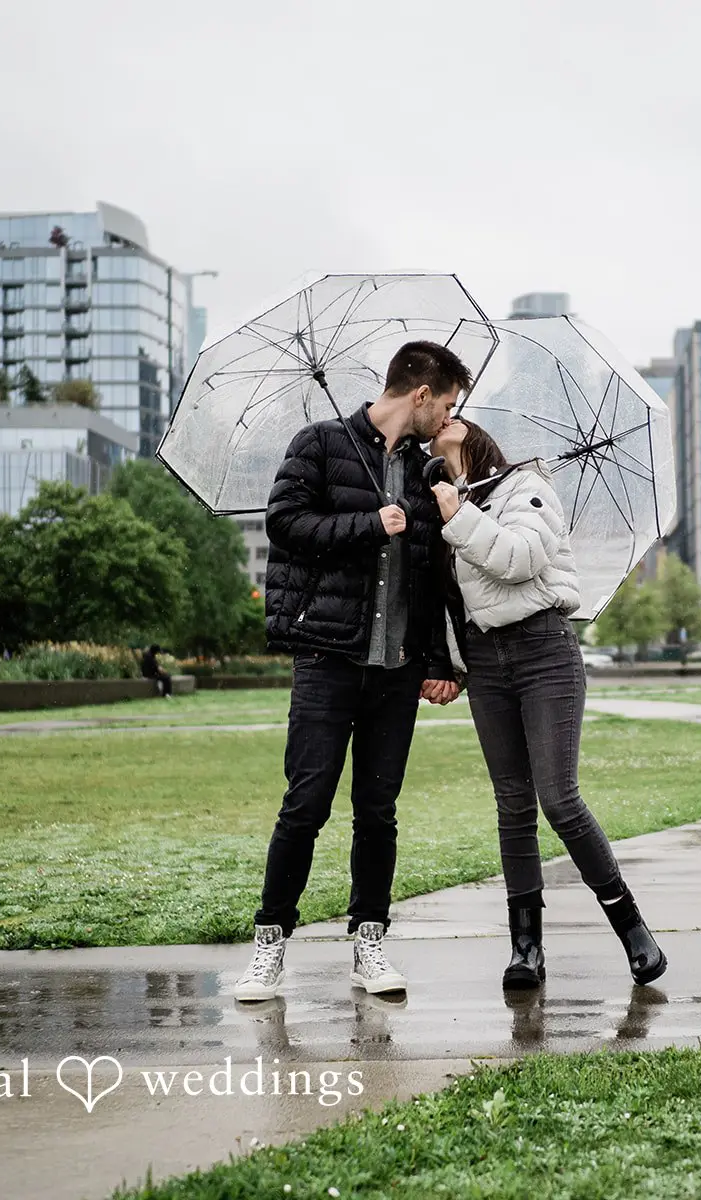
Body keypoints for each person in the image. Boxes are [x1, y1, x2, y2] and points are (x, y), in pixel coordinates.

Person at [232, 341, 468, 1002]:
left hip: (397, 671)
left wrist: (442, 662)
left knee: (378, 812)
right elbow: (284, 524)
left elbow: (434, 576)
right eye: (447, 404)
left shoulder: (426, 473)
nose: (449, 417)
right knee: (305, 805)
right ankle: (269, 944)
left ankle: (370, 942)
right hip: (328, 659)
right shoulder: (319, 444)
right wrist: (368, 523)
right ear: (421, 394)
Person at [428, 417, 667, 989]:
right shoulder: (442, 505)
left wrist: (457, 517)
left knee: (559, 799)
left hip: (544, 652)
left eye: (457, 413)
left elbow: (521, 558)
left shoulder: (525, 486)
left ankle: (631, 926)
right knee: (513, 803)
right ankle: (526, 949)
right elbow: (446, 600)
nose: (446, 419)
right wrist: (448, 665)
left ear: (477, 433)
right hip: (485, 662)